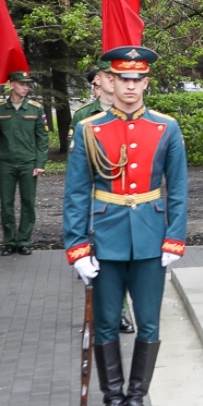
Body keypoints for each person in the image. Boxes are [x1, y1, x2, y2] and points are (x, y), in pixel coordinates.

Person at [63, 45, 188, 406]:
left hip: (151, 241)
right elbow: (76, 194)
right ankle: (112, 399)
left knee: (148, 324)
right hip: (107, 241)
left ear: (146, 82)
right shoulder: (89, 129)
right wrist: (78, 247)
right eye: (124, 79)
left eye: (138, 80)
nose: (131, 87)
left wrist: (174, 239)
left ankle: (136, 398)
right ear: (110, 82)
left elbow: (179, 189)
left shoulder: (165, 127)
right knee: (104, 325)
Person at [67, 64, 135, 334]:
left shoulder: (133, 111)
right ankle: (108, 314)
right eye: (109, 76)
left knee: (125, 258)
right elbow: (78, 168)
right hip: (98, 198)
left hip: (127, 198)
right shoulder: (84, 116)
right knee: (99, 259)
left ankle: (117, 311)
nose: (114, 81)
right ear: (99, 81)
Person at [0, 70, 49, 256]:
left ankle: (23, 241)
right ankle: (9, 241)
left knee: (28, 202)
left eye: (27, 85)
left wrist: (40, 163)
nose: (25, 87)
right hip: (5, 162)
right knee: (6, 203)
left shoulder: (35, 108)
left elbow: (42, 138)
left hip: (28, 162)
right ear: (12, 84)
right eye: (22, 84)